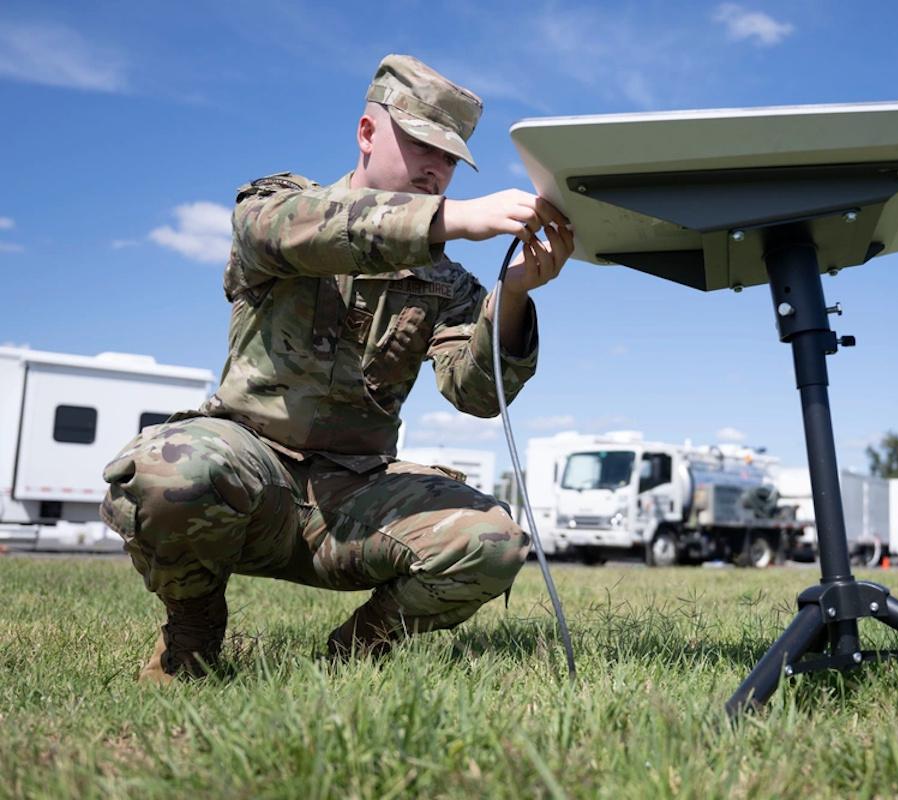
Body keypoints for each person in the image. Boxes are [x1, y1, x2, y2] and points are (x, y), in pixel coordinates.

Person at [100, 54, 574, 684]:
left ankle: (355, 655)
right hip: (250, 477)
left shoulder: (446, 283)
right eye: (420, 145)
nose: (437, 170)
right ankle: (193, 635)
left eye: (451, 159)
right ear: (367, 133)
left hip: (353, 501)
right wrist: (453, 221)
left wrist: (511, 296)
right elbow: (302, 234)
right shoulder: (280, 208)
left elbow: (476, 395)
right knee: (170, 468)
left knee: (491, 542)